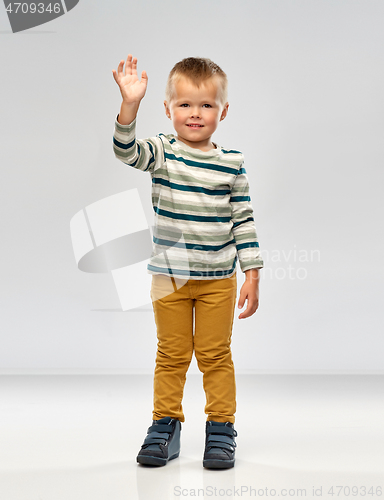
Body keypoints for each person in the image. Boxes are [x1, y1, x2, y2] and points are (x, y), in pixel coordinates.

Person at [112, 54, 264, 469]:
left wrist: (251, 273)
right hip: (170, 279)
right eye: (184, 105)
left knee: (215, 355)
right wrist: (130, 105)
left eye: (206, 105)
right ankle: (165, 426)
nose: (195, 114)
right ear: (168, 109)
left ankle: (221, 428)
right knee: (172, 354)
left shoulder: (232, 164)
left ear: (223, 110)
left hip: (219, 280)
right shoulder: (162, 151)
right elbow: (126, 152)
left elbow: (244, 220)